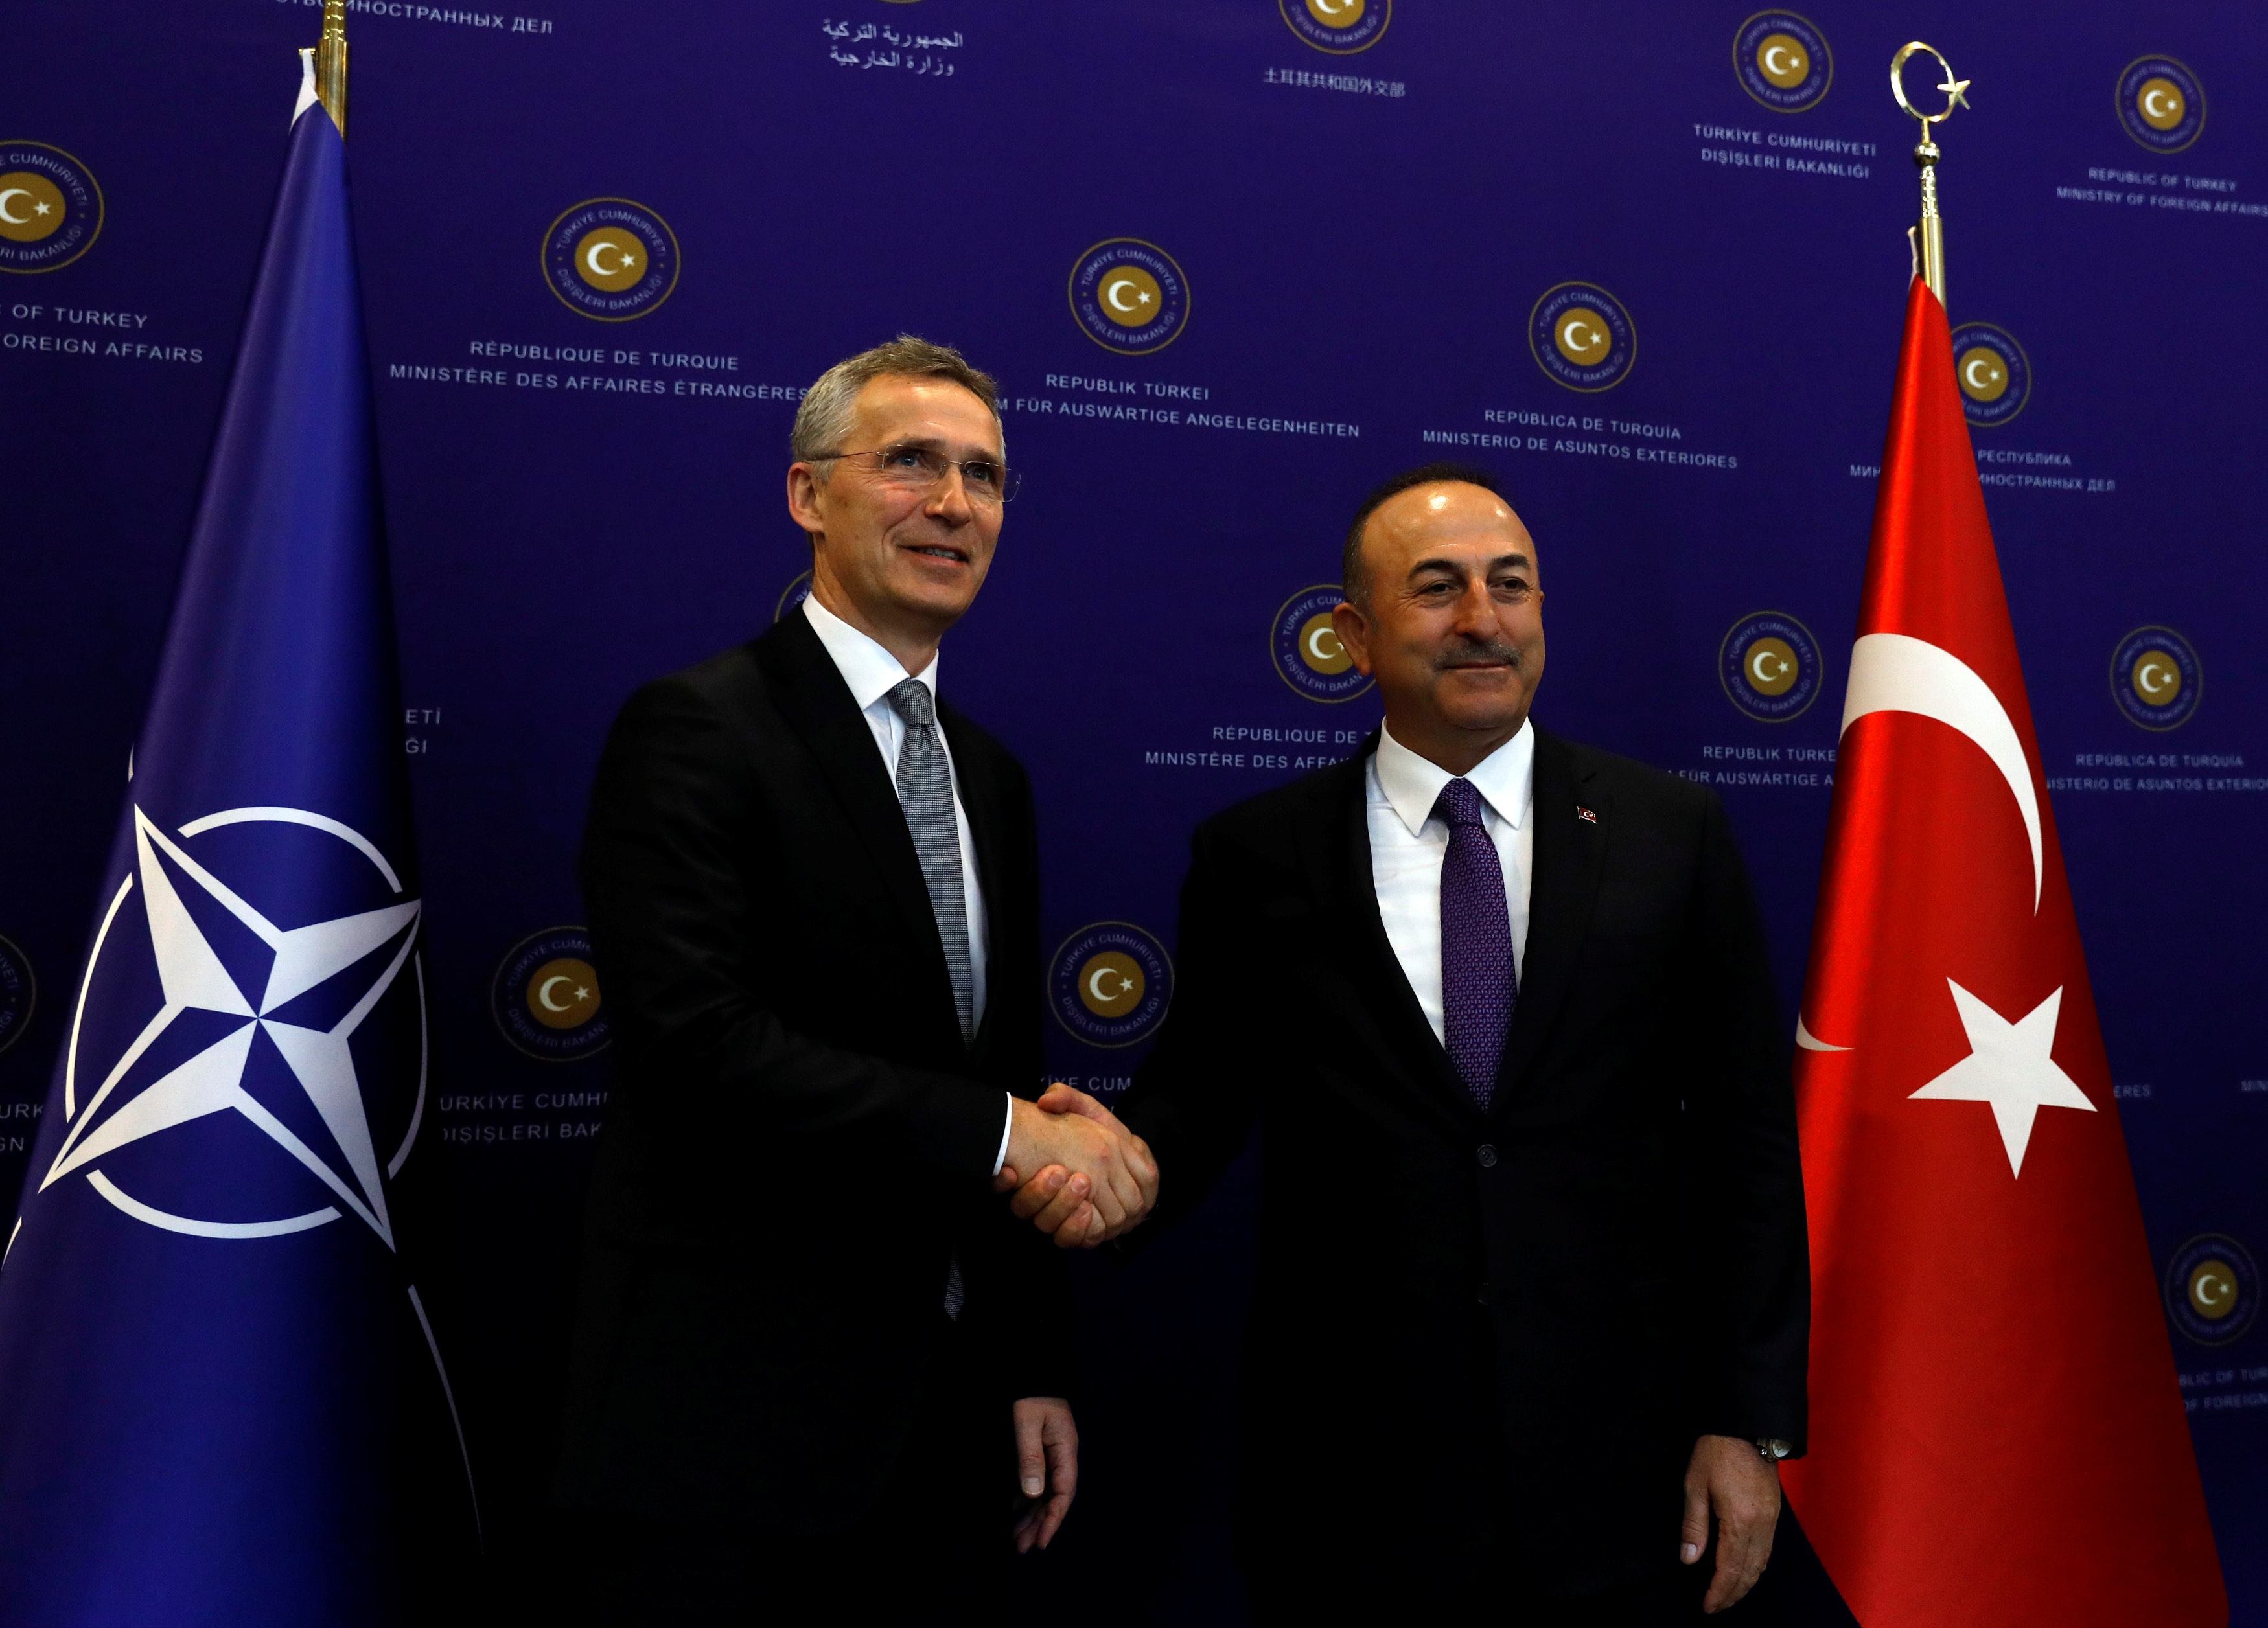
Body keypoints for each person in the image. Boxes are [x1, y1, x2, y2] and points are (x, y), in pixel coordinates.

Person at [1013, 463, 1809, 1622]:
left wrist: (1749, 1419)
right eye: (1437, 589)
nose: (1482, 619)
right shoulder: (1257, 854)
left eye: (1511, 586)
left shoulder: (1670, 831)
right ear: (1353, 632)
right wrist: (1112, 1176)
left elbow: (1747, 1142)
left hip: (1624, 1483)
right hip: (1354, 1490)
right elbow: (1199, 1106)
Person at [554, 336, 1156, 1623]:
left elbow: (991, 1074)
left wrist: (1028, 1361)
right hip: (732, 1430)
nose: (953, 504)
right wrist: (1015, 1137)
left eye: (983, 476)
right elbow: (696, 1043)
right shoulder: (698, 728)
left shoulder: (990, 775)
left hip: (945, 1430)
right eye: (909, 465)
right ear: (806, 493)